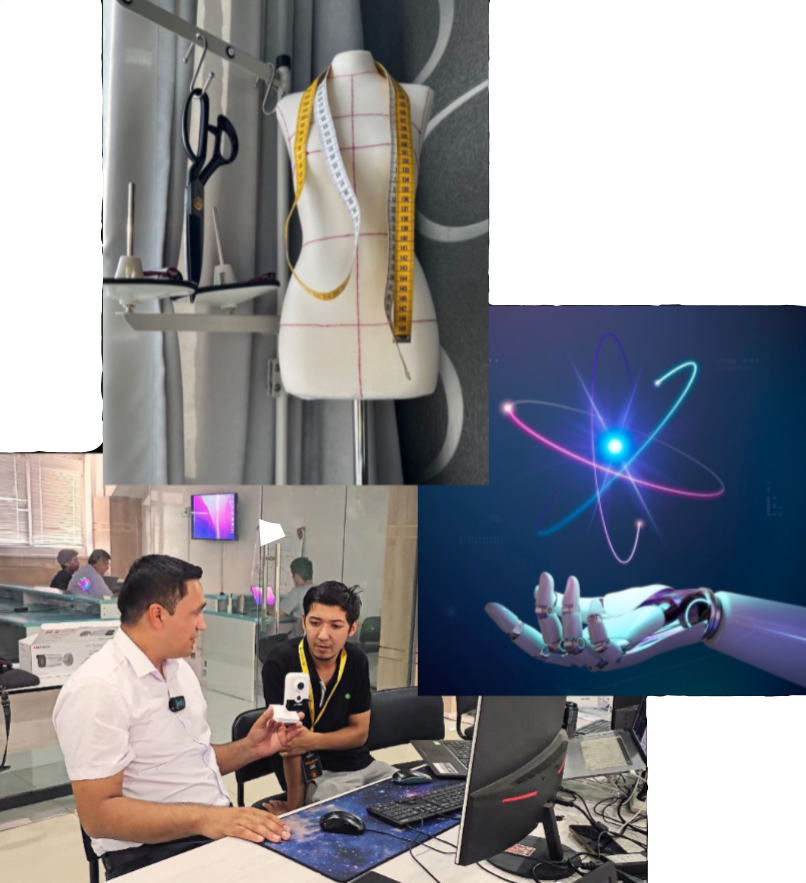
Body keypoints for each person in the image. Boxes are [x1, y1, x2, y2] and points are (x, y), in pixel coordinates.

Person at [53, 555, 303, 879]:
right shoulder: (97, 689)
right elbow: (98, 815)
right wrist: (208, 819)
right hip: (149, 852)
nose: (203, 624)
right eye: (196, 612)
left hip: (209, 830)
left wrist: (252, 748)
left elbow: (187, 760)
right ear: (158, 615)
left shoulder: (177, 669)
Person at [261, 580, 395, 812]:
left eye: (335, 626)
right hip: (316, 774)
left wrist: (311, 741)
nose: (323, 635)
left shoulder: (355, 660)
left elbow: (359, 733)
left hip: (363, 765)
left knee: (411, 796)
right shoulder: (281, 662)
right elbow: (289, 745)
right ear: (303, 622)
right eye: (315, 623)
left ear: (352, 628)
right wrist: (295, 807)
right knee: (346, 819)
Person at [280, 557, 314, 639]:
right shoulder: (320, 590)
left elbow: (278, 613)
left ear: (297, 576)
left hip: (296, 641)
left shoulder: (297, 592)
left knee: (263, 643)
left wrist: (267, 608)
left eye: (293, 576)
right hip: (311, 641)